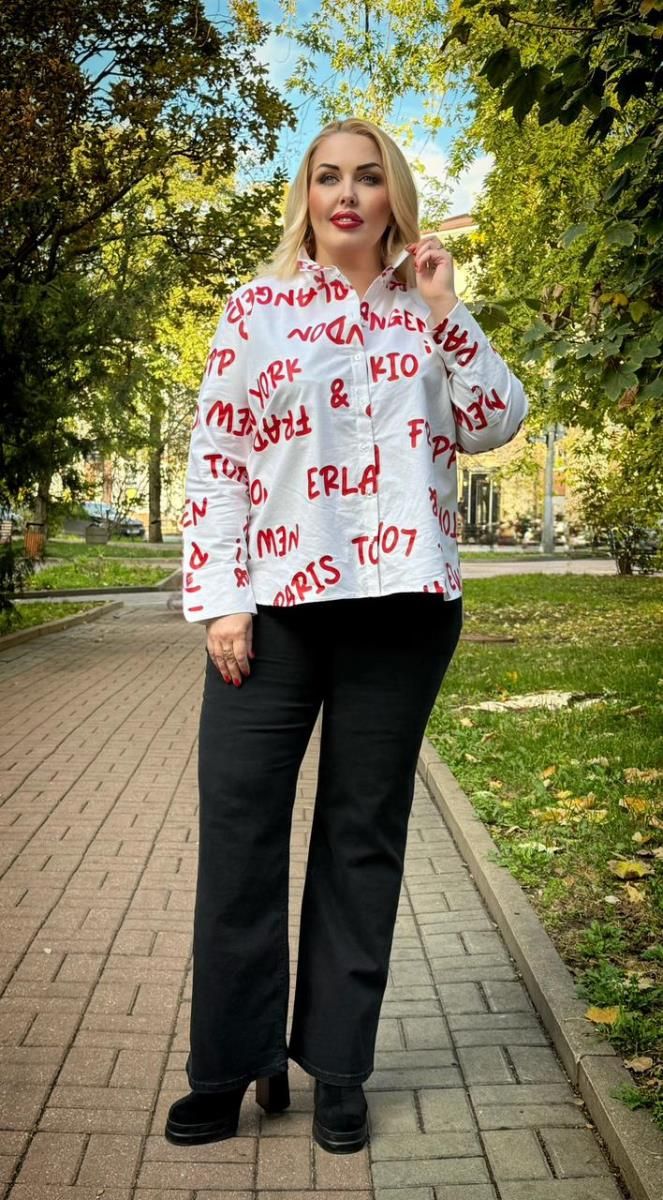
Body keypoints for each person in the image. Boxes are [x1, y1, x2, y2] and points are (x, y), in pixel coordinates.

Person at [165, 117, 528, 1156]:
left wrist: (448, 308)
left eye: (369, 177)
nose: (348, 194)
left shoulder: (427, 313)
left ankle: (338, 1067)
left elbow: (497, 419)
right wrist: (222, 600)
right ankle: (230, 1065)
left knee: (362, 836)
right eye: (329, 177)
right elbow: (218, 458)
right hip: (272, 614)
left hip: (402, 614)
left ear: (392, 196)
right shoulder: (257, 309)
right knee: (239, 831)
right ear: (308, 196)